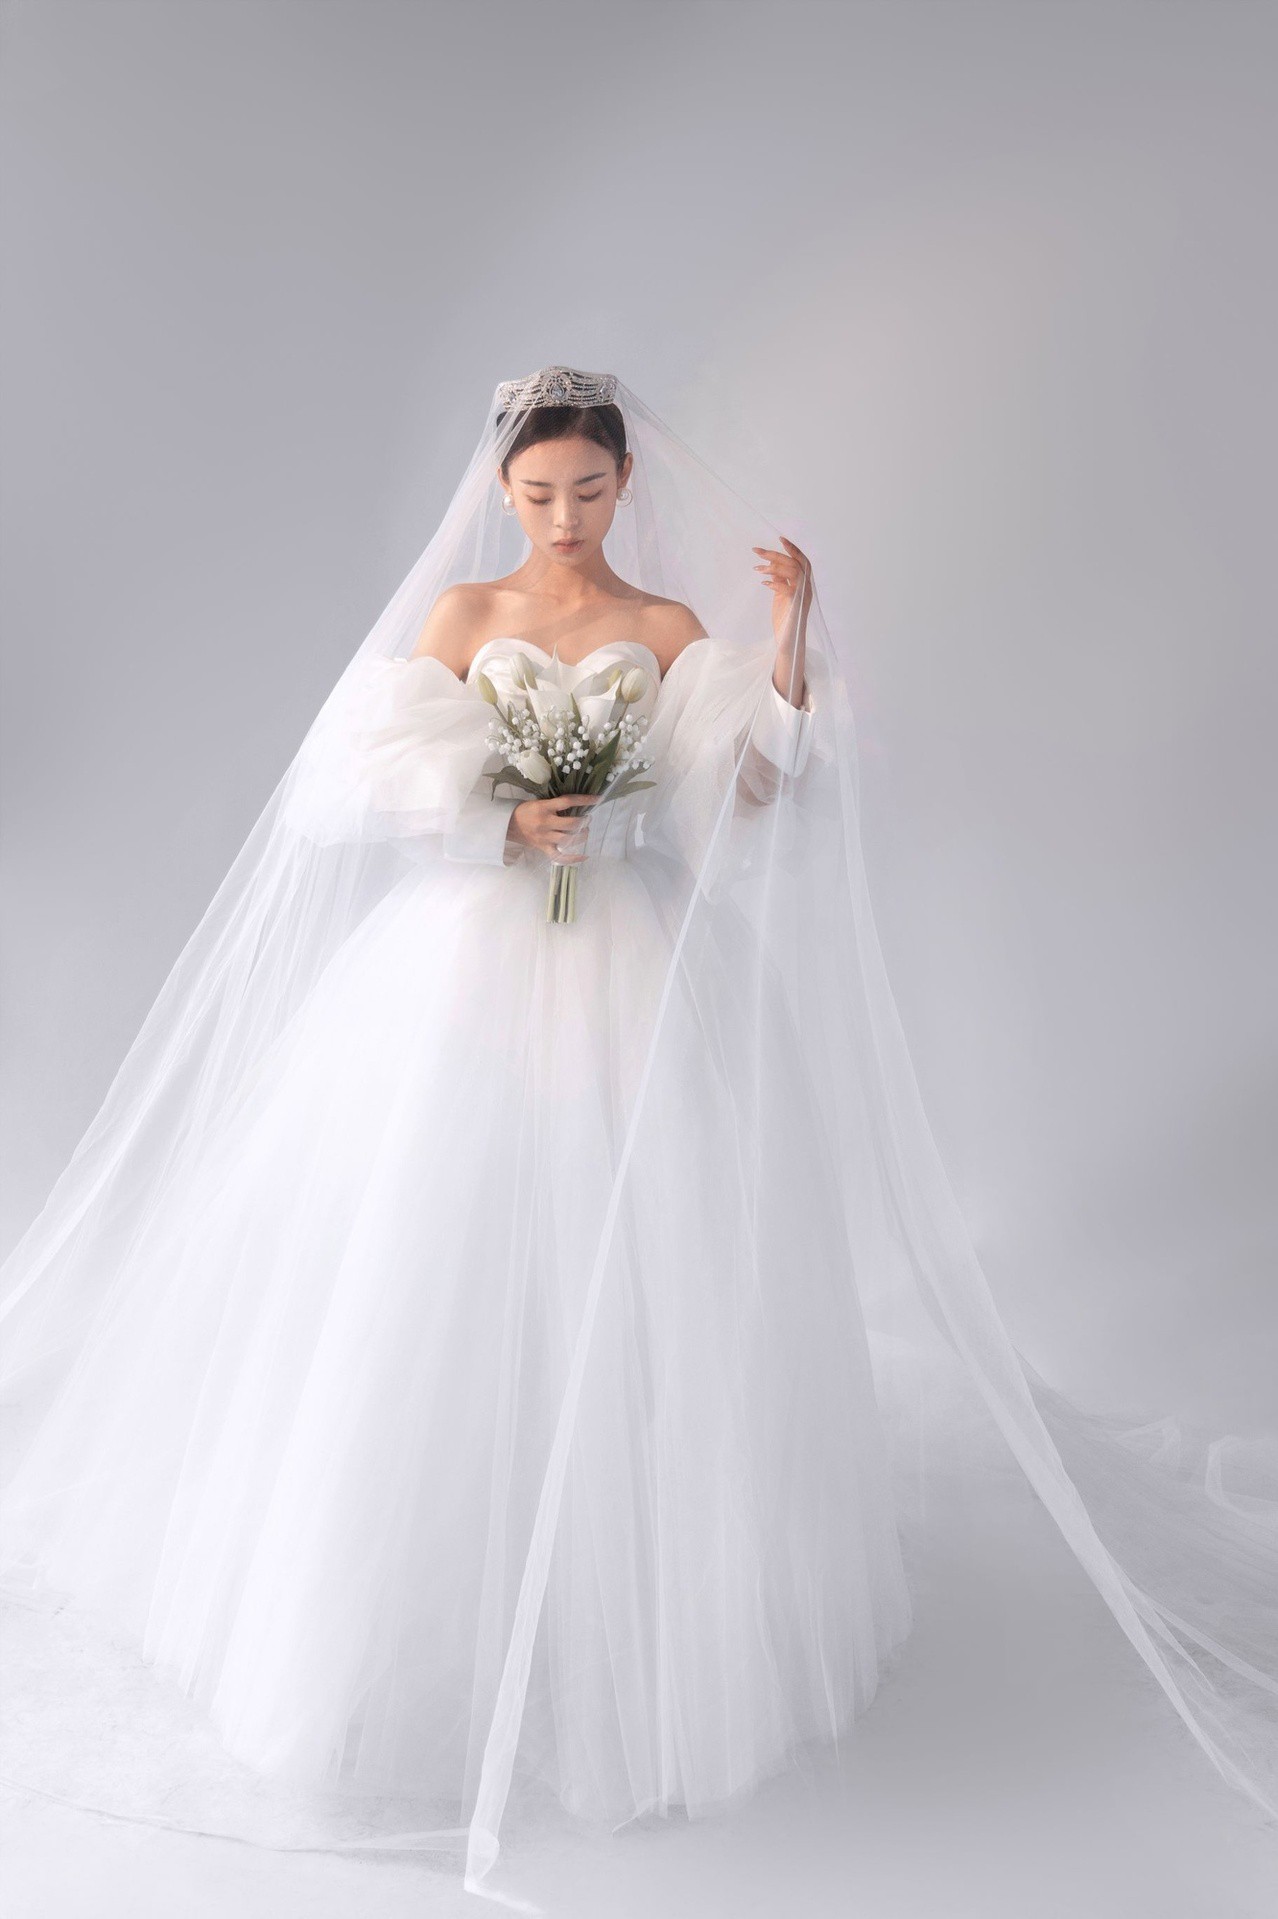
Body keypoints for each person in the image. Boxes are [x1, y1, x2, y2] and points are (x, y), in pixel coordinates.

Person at [1, 366, 1274, 1906]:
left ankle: (638, 1611)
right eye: (538, 493)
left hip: (635, 961)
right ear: (501, 489)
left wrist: (788, 637)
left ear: (625, 486)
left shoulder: (666, 627)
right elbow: (368, 781)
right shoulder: (464, 615)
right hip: (467, 963)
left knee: (640, 1243)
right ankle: (397, 1607)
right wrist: (500, 821)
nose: (563, 517)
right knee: (433, 1244)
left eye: (589, 491)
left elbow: (755, 787)